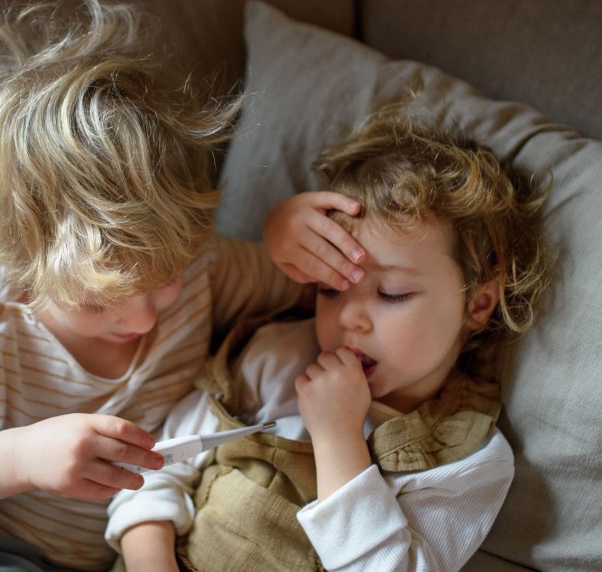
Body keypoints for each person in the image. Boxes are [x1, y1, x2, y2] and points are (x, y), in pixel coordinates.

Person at [0, 0, 363, 572]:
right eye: (93, 303)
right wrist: (23, 457)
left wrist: (284, 233)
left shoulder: (206, 267)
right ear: (22, 268)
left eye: (165, 279)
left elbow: (320, 290)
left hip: (29, 559)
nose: (142, 319)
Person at [106, 113, 555, 571]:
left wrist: (338, 437)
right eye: (329, 289)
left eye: (391, 293)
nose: (348, 318)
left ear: (478, 304)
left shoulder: (468, 459)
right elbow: (153, 467)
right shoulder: (278, 357)